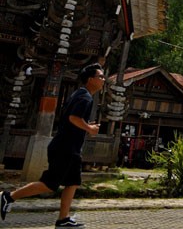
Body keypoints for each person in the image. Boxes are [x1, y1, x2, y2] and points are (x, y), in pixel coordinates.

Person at [1, 63, 105, 228]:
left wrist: (85, 125)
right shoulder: (85, 97)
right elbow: (73, 118)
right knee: (49, 184)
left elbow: (73, 119)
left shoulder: (81, 94)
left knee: (73, 182)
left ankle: (63, 219)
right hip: (65, 147)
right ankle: (8, 196)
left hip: (71, 148)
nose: (103, 79)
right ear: (90, 79)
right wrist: (90, 128)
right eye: (100, 76)